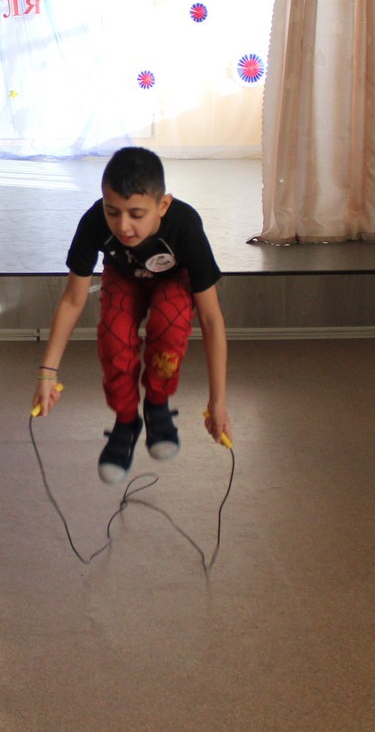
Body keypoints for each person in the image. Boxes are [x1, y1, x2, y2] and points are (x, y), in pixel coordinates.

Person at [32, 146, 232, 482]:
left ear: (163, 205)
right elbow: (72, 300)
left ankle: (157, 404)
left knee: (169, 324)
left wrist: (218, 402)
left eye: (137, 214)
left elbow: (211, 320)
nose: (123, 226)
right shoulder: (94, 222)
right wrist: (47, 373)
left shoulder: (185, 226)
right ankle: (126, 421)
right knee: (114, 335)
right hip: (123, 278)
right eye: (113, 212)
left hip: (171, 282)